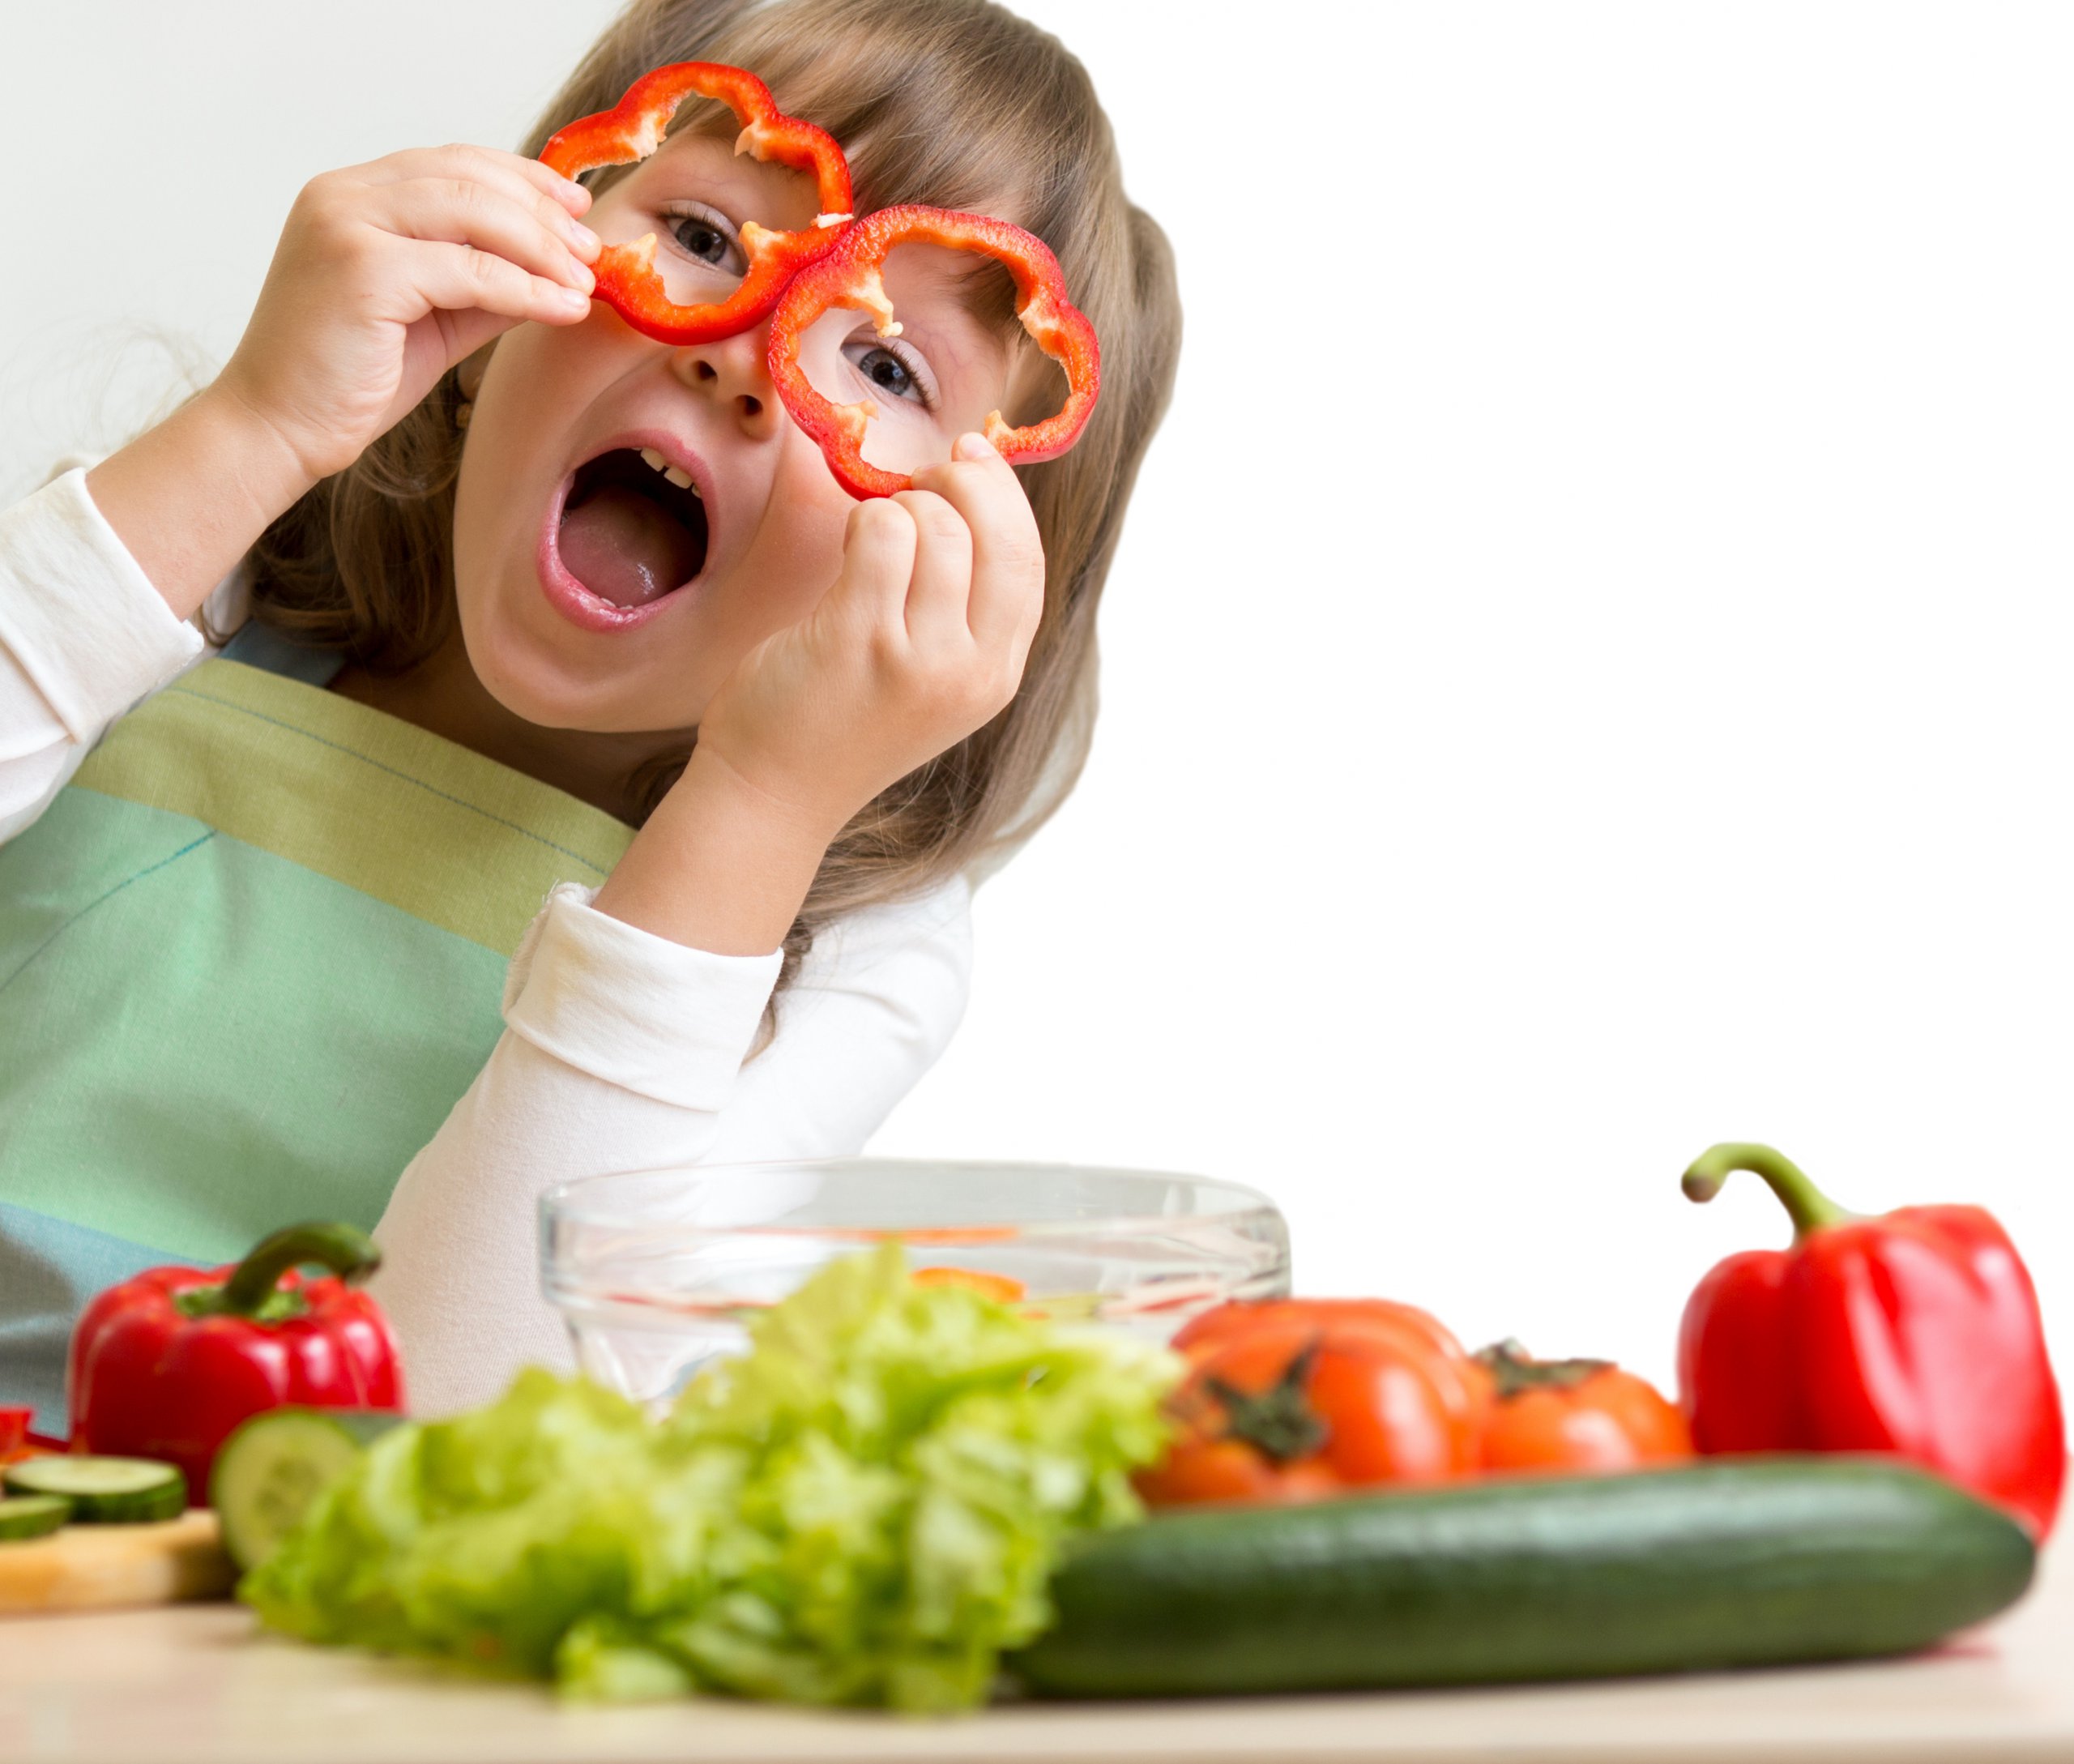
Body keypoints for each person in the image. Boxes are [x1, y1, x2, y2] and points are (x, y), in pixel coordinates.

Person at [0, 0, 1180, 1423]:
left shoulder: (853, 948)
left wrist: (757, 807)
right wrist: (250, 429)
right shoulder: (193, 589)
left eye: (884, 367)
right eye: (701, 238)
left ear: (967, 568)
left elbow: (470, 1400)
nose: (741, 353)